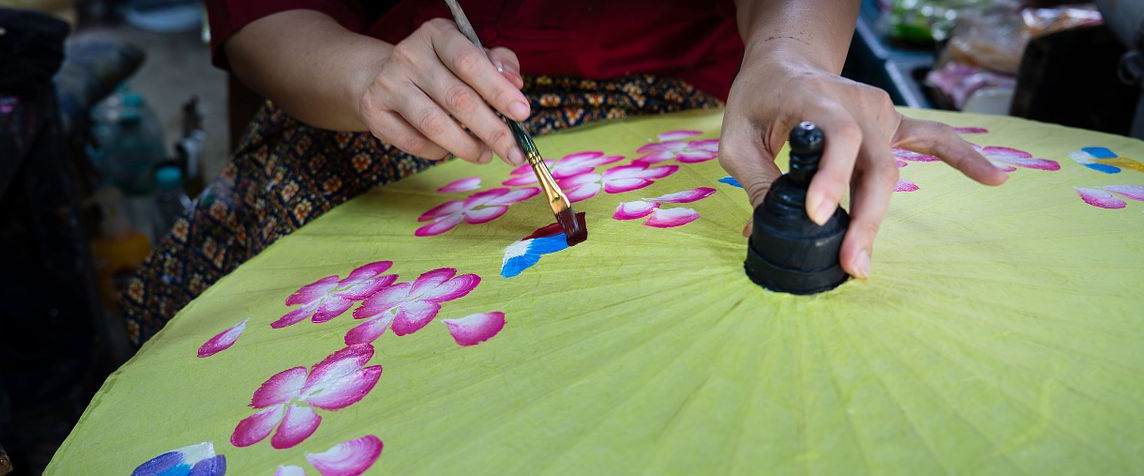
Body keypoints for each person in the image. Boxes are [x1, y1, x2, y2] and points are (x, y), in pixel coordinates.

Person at [122, 0, 1006, 345]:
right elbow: (263, 19)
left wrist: (788, 53)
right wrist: (365, 77)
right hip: (390, 106)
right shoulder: (378, 87)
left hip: (706, 102)